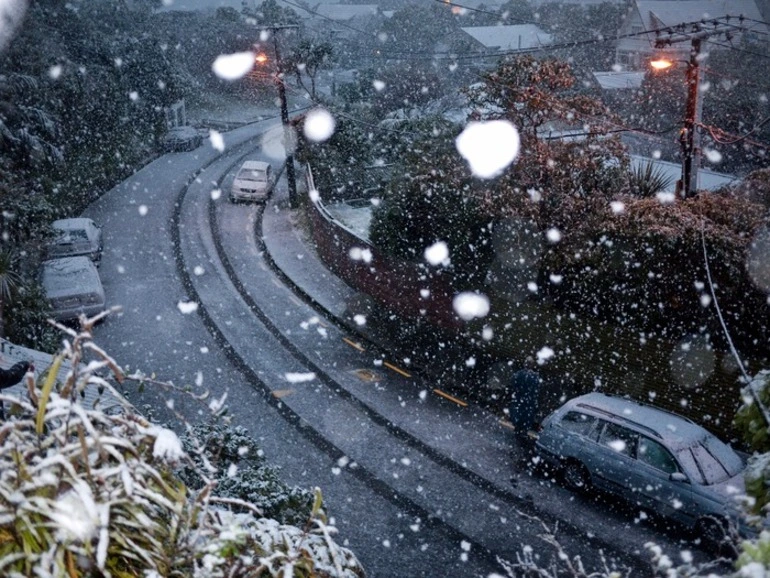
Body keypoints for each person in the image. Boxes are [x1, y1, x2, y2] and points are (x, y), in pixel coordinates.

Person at [507, 357, 541, 440]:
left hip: (519, 398)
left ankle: (518, 430)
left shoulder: (518, 374)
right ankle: (523, 432)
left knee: (518, 414)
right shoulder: (535, 376)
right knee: (527, 417)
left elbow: (513, 385)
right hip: (529, 401)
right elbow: (536, 390)